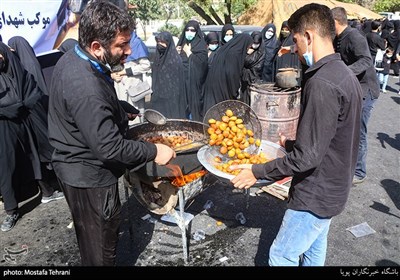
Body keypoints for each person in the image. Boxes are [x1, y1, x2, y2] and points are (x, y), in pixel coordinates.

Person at [230, 3, 362, 266]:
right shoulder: (344, 75)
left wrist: (256, 172)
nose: (297, 50)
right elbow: (331, 137)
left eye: (297, 41)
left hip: (315, 194)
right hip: (335, 188)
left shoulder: (322, 83)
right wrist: (290, 143)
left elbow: (306, 158)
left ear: (310, 36)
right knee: (313, 250)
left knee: (281, 255)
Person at [47, 0, 175, 266]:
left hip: (78, 166)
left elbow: (92, 109)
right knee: (100, 248)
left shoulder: (74, 55)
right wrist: (155, 150)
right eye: (121, 45)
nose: (128, 51)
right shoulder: (85, 87)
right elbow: (110, 148)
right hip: (89, 178)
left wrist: (119, 109)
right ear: (96, 47)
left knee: (93, 238)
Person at [331, 7, 381, 185]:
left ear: (335, 22)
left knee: (358, 132)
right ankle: (346, 165)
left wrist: (345, 72)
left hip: (366, 90)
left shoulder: (354, 36)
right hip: (354, 89)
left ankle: (359, 171)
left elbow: (366, 60)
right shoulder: (338, 38)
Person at [202, 33, 254, 115]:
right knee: (221, 114)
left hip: (215, 84)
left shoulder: (226, 49)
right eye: (248, 46)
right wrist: (234, 91)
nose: (248, 49)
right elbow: (232, 75)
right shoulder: (234, 54)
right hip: (222, 87)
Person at [112, 31, 151, 124]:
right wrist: (112, 74)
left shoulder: (136, 43)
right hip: (118, 85)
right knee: (121, 111)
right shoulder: (114, 41)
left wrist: (125, 72)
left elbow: (146, 65)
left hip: (134, 87)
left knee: (135, 115)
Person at [149, 31, 186, 119]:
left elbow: (177, 86)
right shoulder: (158, 59)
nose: (160, 44)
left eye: (163, 42)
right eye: (158, 42)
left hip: (171, 101)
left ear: (168, 43)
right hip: (158, 98)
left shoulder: (175, 61)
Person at [176, 20, 208, 121]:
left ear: (197, 31)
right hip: (182, 83)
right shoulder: (181, 44)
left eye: (192, 30)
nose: (189, 32)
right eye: (187, 30)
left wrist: (189, 53)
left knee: (194, 108)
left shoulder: (200, 45)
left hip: (194, 84)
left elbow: (202, 64)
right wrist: (175, 53)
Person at [240, 31, 265, 105]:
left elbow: (249, 62)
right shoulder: (247, 48)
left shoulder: (261, 50)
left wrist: (247, 54)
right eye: (253, 42)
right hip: (244, 79)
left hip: (254, 79)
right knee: (244, 98)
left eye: (257, 43)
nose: (255, 45)